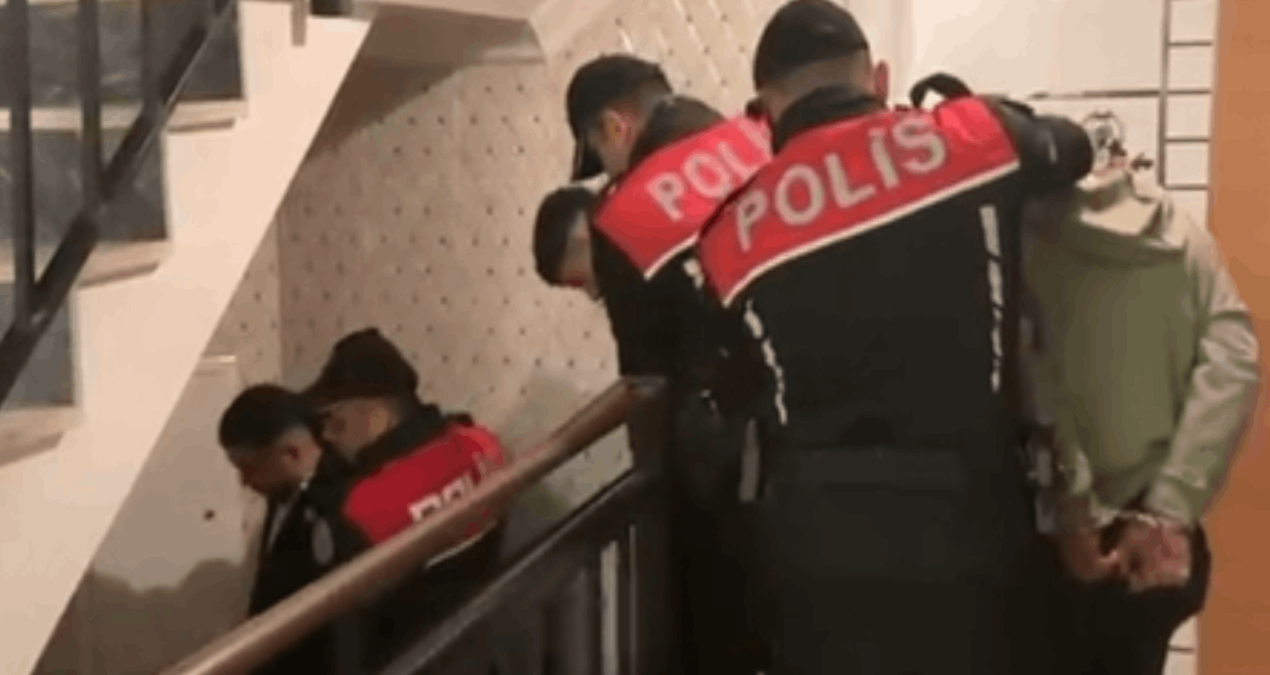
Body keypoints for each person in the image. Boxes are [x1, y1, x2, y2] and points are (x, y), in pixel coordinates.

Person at [691, 1, 1096, 673]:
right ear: (877, 78)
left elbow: (727, 378)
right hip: (971, 524)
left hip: (818, 545)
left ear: (764, 114)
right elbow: (1073, 148)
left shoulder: (729, 236)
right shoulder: (972, 136)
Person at [539, 54, 774, 675]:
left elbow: (646, 382)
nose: (609, 174)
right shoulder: (751, 135)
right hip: (803, 429)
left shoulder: (626, 216)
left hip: (722, 463)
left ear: (614, 127)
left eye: (601, 154)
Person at [1021, 138, 1260, 675]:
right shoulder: (1182, 233)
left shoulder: (1026, 241)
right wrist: (1171, 507)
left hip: (1054, 543)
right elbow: (1235, 360)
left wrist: (1076, 512)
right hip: (1150, 542)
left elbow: (1034, 382)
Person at [303, 328, 510, 672]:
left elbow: (348, 637)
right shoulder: (480, 443)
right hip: (480, 649)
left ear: (378, 415)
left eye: (335, 422)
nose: (326, 436)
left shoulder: (362, 508)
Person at [218, 385, 369, 675]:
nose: (244, 481)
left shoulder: (336, 506)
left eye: (249, 467)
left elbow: (341, 624)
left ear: (290, 453)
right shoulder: (281, 492)